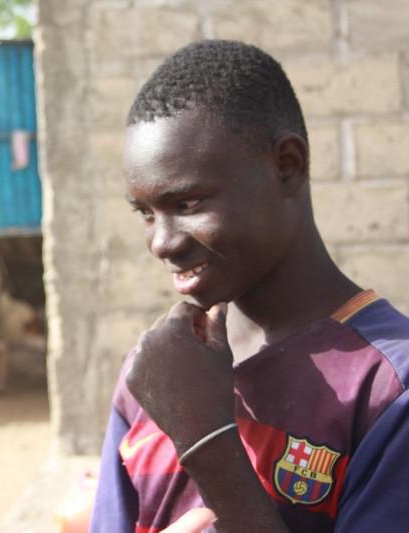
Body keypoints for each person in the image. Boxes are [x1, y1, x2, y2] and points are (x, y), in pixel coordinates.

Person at [89, 39, 409, 533]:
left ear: (287, 166)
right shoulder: (152, 371)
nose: (161, 243)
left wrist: (206, 438)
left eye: (188, 204)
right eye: (145, 213)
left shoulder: (387, 388)